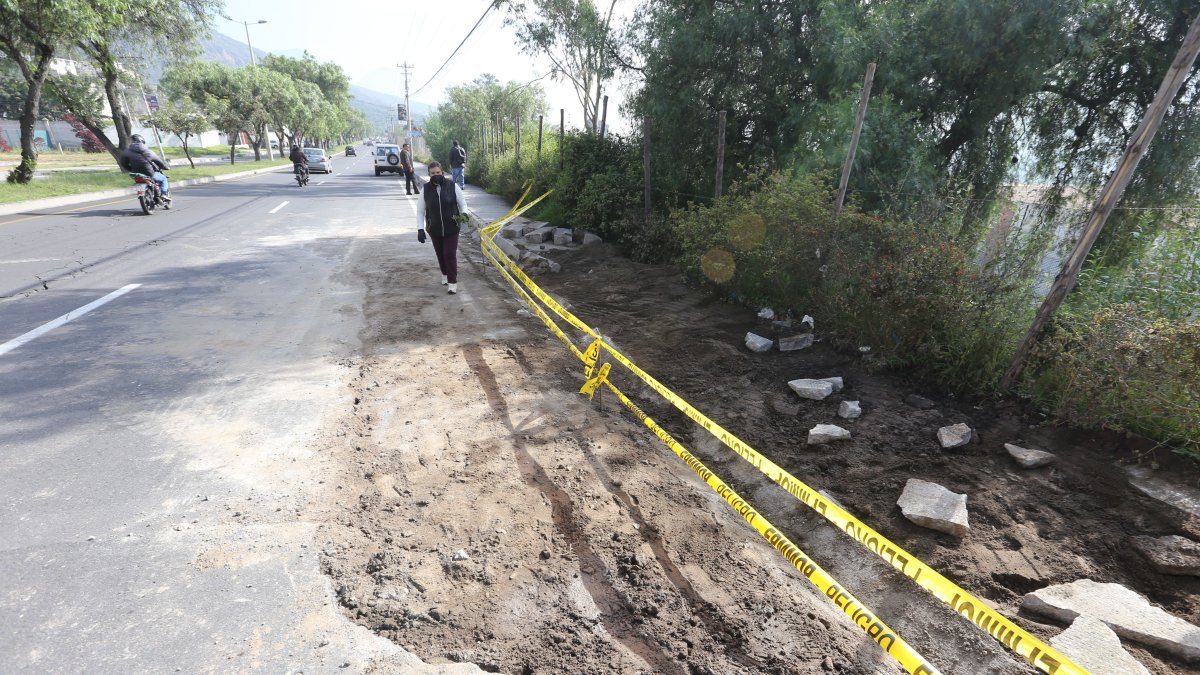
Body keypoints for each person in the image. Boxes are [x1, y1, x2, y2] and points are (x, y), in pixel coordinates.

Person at [415, 161, 467, 294]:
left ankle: (452, 283)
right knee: (440, 254)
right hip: (435, 228)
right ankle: (444, 274)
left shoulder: (452, 186)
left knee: (449, 254)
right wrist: (420, 229)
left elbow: (463, 204)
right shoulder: (425, 190)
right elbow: (420, 211)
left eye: (438, 172)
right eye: (433, 173)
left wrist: (465, 214)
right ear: (429, 174)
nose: (436, 175)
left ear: (442, 172)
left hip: (452, 228)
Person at [119, 134, 170, 207]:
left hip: (136, 173)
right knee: (163, 178)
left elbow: (123, 163)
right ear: (142, 141)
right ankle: (164, 194)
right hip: (149, 173)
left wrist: (131, 169)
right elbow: (158, 162)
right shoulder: (148, 151)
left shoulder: (126, 152)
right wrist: (164, 167)